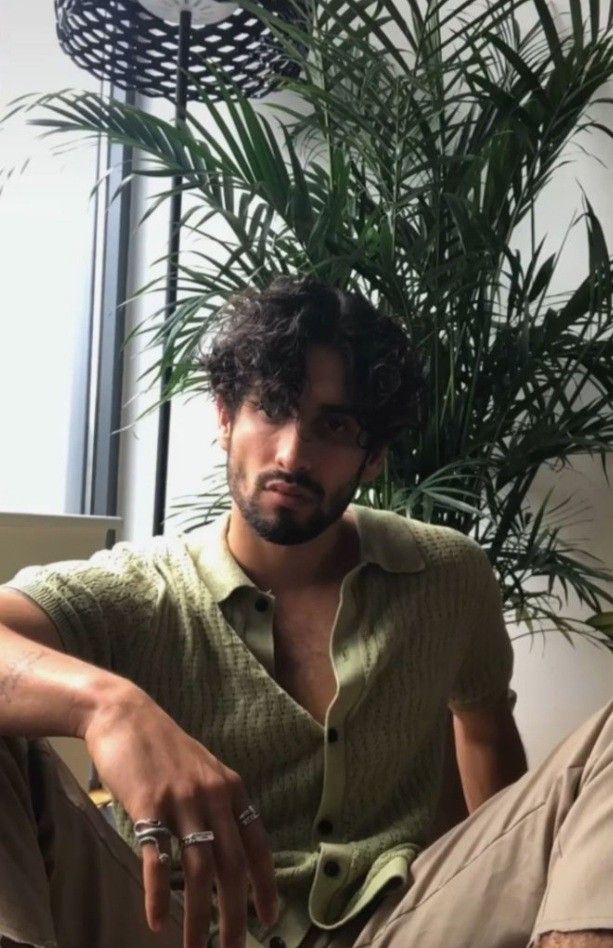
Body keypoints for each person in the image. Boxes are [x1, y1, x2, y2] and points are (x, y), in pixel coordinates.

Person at [0, 276, 611, 948]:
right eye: (271, 407)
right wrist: (106, 706)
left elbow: (486, 738)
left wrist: (500, 887)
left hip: (395, 925)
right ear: (225, 418)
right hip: (174, 928)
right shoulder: (140, 590)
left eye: (334, 425)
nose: (292, 453)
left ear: (371, 456)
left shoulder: (446, 576)